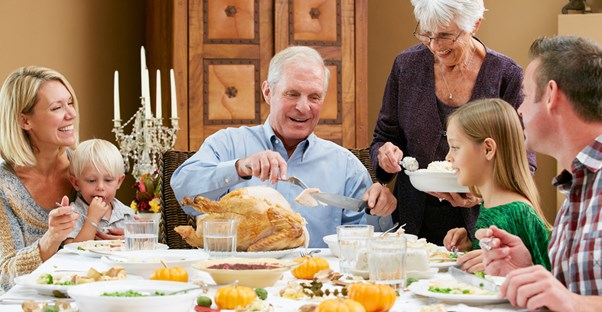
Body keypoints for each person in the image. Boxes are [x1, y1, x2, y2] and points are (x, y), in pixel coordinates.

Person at [171, 46, 396, 247]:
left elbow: (369, 246)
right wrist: (240, 167)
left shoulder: (346, 166)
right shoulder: (228, 144)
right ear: (268, 92)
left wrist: (379, 211)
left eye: (314, 97)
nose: (303, 107)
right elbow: (183, 190)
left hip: (314, 284)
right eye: (292, 94)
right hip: (239, 280)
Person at [370, 0, 536, 246]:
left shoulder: (505, 74)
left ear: (475, 25)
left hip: (484, 227)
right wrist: (384, 154)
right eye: (427, 34)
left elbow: (522, 159)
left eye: (446, 36)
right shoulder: (406, 66)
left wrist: (480, 194)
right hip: (410, 224)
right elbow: (383, 137)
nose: (435, 46)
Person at [477, 36, 602, 311]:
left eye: (524, 95)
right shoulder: (578, 184)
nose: (519, 109)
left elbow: (574, 301)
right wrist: (525, 269)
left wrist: (575, 303)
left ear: (550, 95)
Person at [441, 98, 551, 273]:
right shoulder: (489, 204)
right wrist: (471, 248)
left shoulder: (518, 213)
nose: (448, 157)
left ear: (488, 149)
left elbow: (546, 278)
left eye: (455, 147)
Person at [0, 66, 81, 291]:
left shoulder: (86, 170)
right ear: (25, 121)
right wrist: (51, 239)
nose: (71, 114)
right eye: (57, 107)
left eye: (70, 103)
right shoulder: (4, 186)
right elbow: (4, 275)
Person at [63, 139, 134, 244]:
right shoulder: (73, 214)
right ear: (76, 183)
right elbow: (71, 250)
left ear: (119, 182)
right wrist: (92, 219)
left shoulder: (126, 214)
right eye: (91, 180)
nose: (100, 187)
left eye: (108, 180)